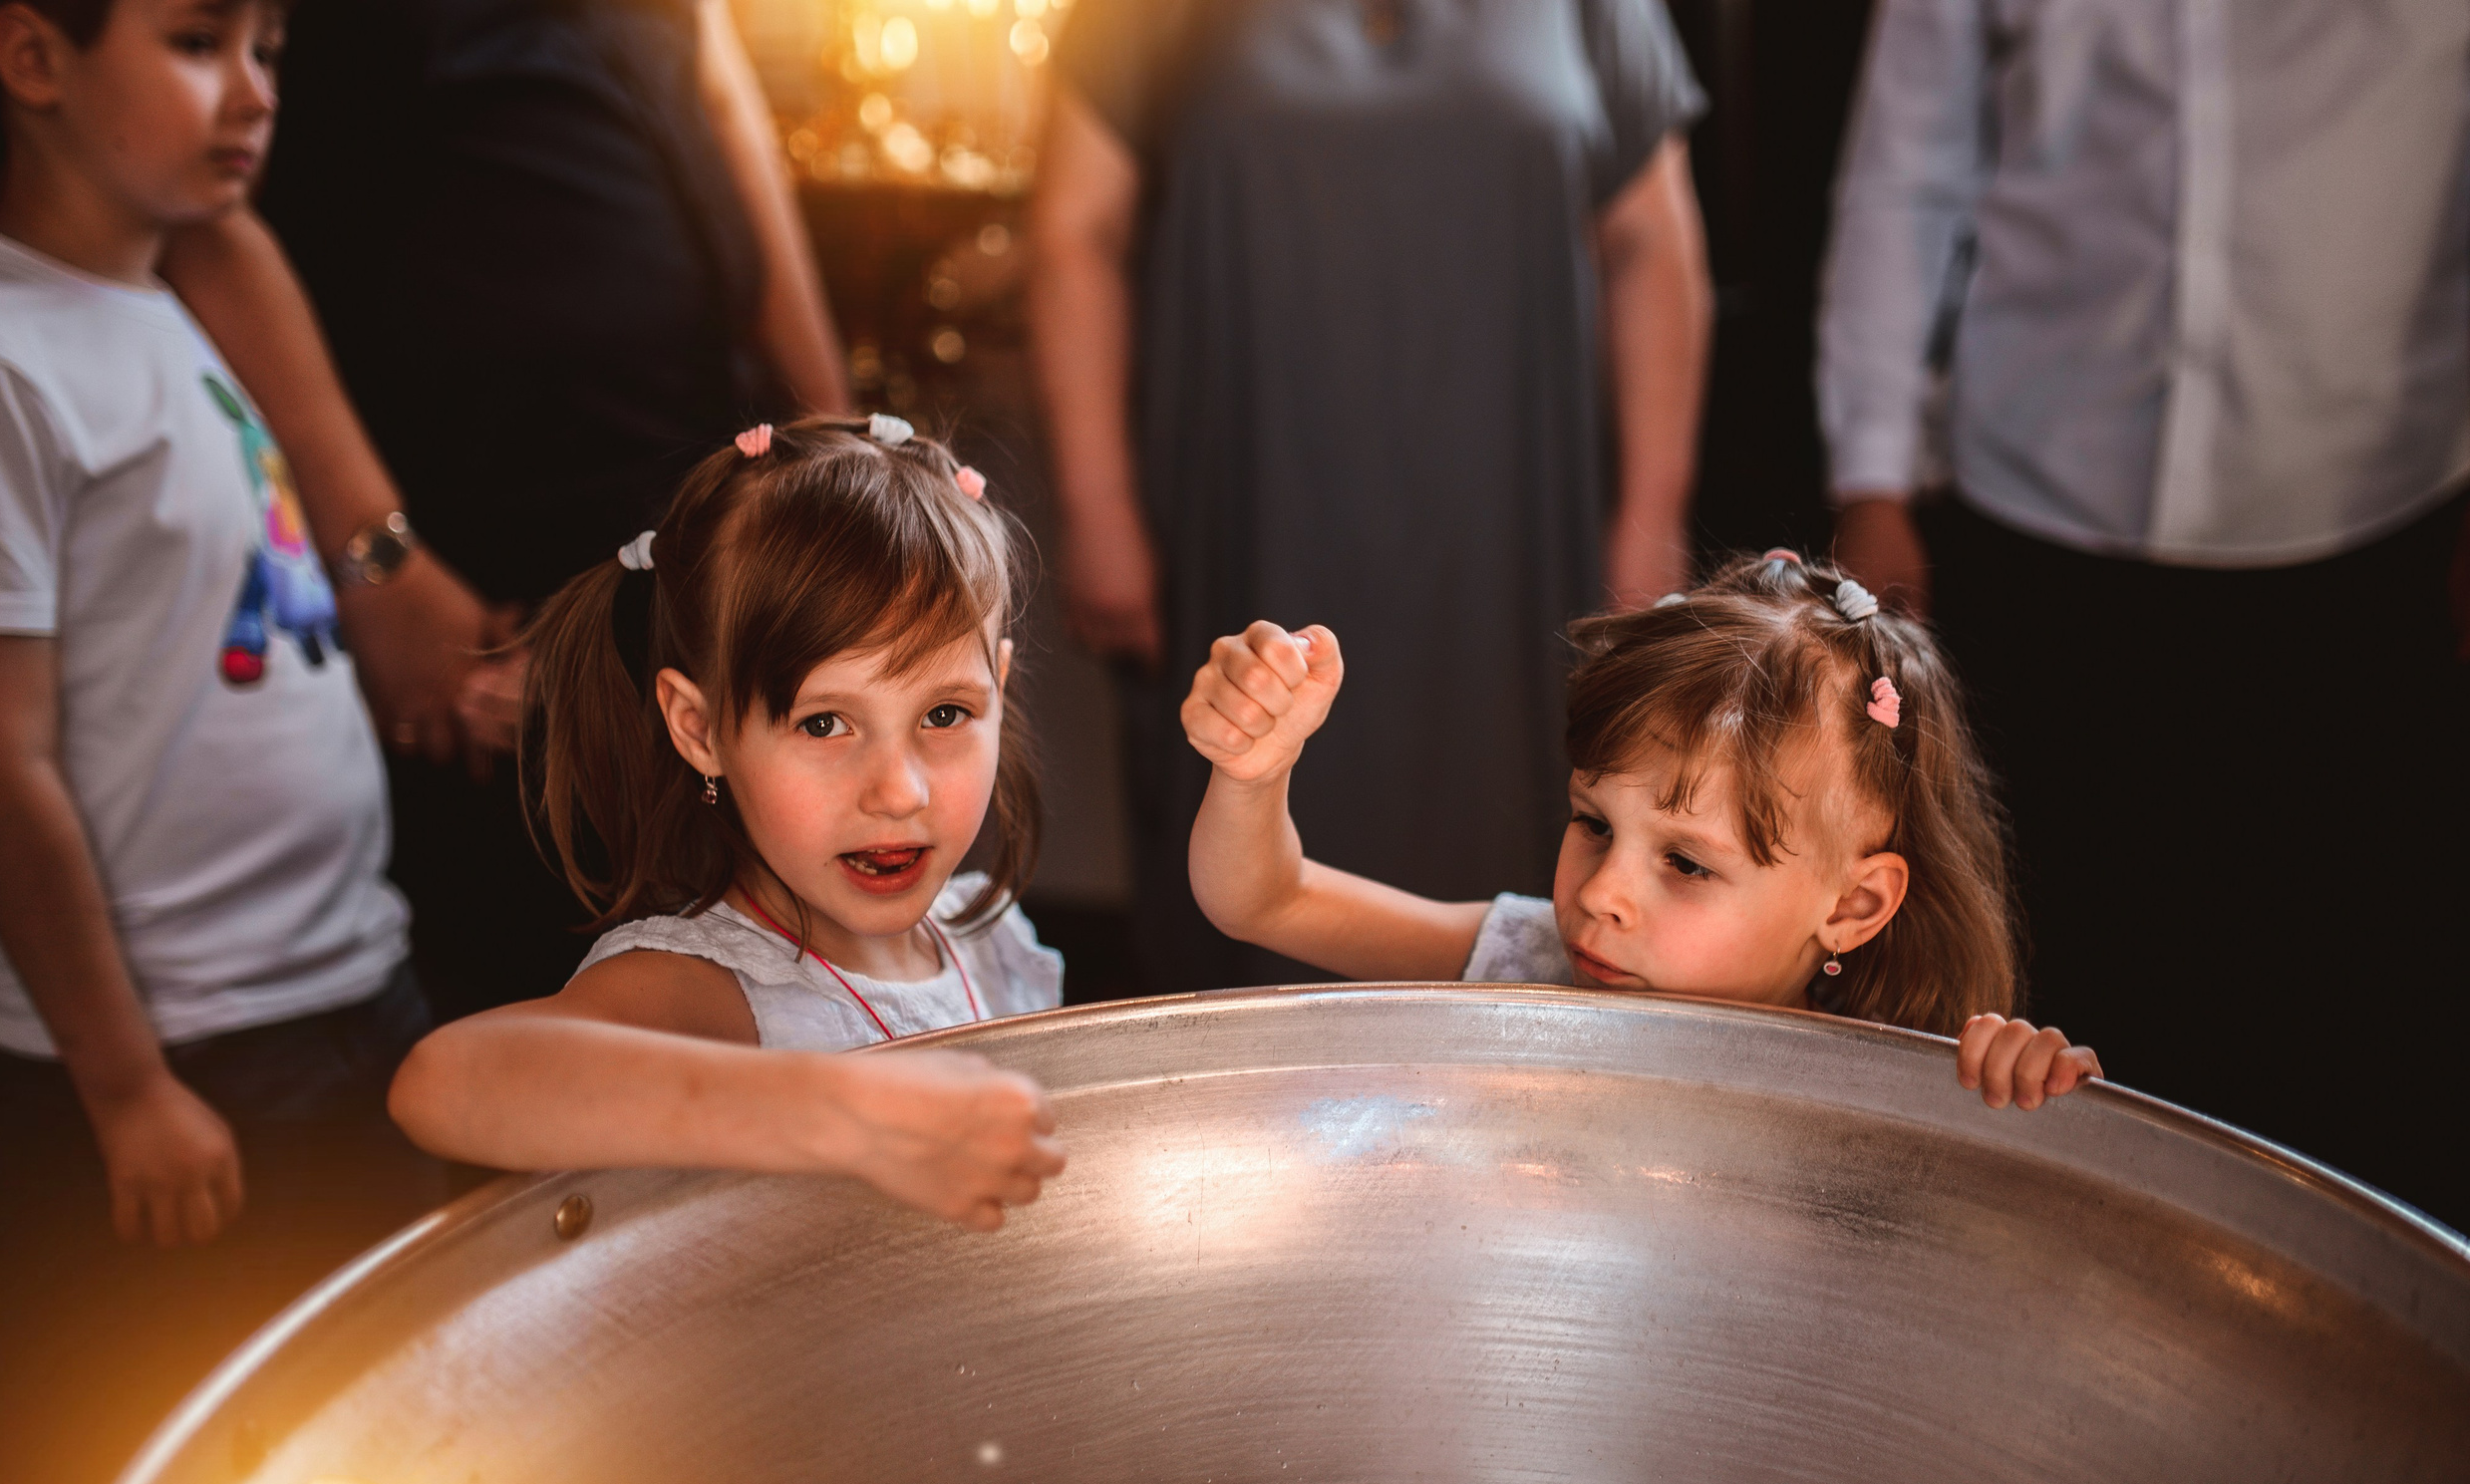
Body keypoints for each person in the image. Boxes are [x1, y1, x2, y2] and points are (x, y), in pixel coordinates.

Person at [0, 2, 446, 1484]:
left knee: (355, 1478)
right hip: (181, 1069)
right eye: (201, 39)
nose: (255, 91)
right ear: (32, 57)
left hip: (349, 987)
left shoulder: (177, 290)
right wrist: (129, 1082)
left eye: (274, 51)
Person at [1816, 0, 2467, 1215]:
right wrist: (1871, 473)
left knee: (2348, 1014)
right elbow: (1908, 165)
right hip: (2032, 514)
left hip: (2365, 526)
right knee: (2041, 1014)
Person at [180, 0, 855, 1019]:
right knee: (545, 1011)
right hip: (485, 570)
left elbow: (717, 96)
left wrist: (836, 451)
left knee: (751, 986)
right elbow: (200, 211)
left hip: (701, 532)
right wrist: (380, 562)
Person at [1030, 0, 1714, 993]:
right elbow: (1073, 231)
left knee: (1527, 842)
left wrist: (1650, 516)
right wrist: (1095, 503)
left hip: (1512, 536)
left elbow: (1652, 244)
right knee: (1239, 800)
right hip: (1246, 513)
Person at [390, 419, 1070, 1230]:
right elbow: (445, 1082)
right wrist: (844, 1109)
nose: (898, 790)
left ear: (999, 685)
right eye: (824, 724)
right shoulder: (715, 992)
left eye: (946, 711)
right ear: (700, 729)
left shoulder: (987, 940)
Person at [1180, 552, 2102, 1109]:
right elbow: (1263, 897)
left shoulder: (1898, 1091)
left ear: (1855, 904)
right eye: (1591, 823)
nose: (1600, 895)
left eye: (1686, 862)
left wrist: (2014, 1096)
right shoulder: (1526, 961)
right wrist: (1253, 772)